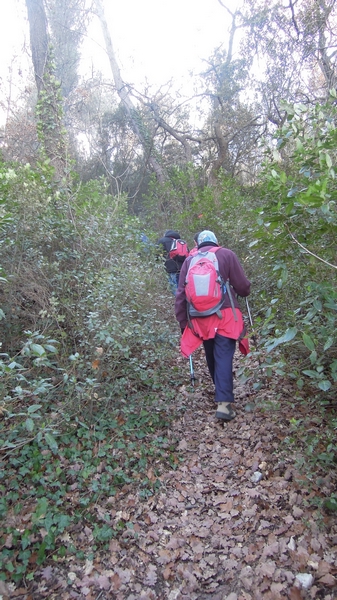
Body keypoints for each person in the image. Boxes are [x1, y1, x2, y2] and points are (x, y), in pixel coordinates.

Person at [175, 230, 251, 421]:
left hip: (200, 318)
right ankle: (224, 404)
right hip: (225, 315)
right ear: (216, 241)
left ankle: (221, 392)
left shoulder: (188, 261)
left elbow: (181, 295)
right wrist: (245, 289)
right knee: (224, 354)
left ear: (198, 244)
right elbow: (242, 287)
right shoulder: (226, 254)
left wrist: (184, 322)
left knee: (211, 354)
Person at [157, 230, 188, 295]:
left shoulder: (162, 241)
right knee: (182, 286)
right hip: (182, 268)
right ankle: (185, 301)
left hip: (170, 268)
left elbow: (157, 253)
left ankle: (178, 302)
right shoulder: (181, 242)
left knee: (174, 287)